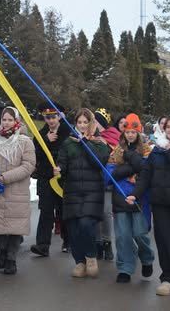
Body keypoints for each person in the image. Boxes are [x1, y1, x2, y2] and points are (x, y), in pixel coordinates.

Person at [126, 115, 170, 296]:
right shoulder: (156, 152)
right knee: (163, 241)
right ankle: (166, 278)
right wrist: (135, 194)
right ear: (164, 129)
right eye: (168, 127)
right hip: (161, 203)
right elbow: (146, 176)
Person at [55, 108, 111, 279]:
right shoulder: (67, 143)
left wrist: (85, 143)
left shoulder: (101, 144)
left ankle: (91, 256)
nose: (82, 125)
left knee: (87, 224)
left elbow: (98, 162)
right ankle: (79, 261)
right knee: (73, 228)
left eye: (85, 122)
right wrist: (59, 169)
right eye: (79, 122)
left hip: (92, 191)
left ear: (91, 124)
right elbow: (62, 162)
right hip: (72, 190)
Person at [0, 107, 36, 274]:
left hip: (17, 191)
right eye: (4, 119)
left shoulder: (24, 142)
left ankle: (11, 258)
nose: (6, 123)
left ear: (16, 121)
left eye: (10, 120)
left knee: (15, 227)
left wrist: (6, 177)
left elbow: (28, 166)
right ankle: (3, 250)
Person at [107, 113, 155, 283]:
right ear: (123, 132)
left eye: (133, 132)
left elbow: (147, 172)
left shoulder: (147, 150)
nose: (130, 135)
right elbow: (108, 175)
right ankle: (125, 268)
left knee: (140, 233)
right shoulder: (117, 151)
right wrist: (126, 168)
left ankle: (147, 257)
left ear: (138, 133)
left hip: (140, 198)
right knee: (122, 236)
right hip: (120, 197)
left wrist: (134, 161)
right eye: (127, 132)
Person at [30, 101, 70, 257]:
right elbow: (36, 155)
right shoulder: (40, 134)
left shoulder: (68, 132)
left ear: (59, 117)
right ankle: (43, 245)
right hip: (46, 178)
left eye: (53, 117)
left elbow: (69, 153)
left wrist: (61, 167)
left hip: (62, 177)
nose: (50, 121)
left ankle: (67, 241)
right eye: (47, 118)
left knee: (64, 210)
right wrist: (45, 141)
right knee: (46, 211)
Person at [93, 108, 119, 261]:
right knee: (96, 212)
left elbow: (115, 156)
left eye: (95, 121)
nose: (93, 124)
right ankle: (97, 243)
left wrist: (104, 144)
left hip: (107, 180)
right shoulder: (90, 136)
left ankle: (107, 241)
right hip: (93, 179)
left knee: (106, 212)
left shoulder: (112, 137)